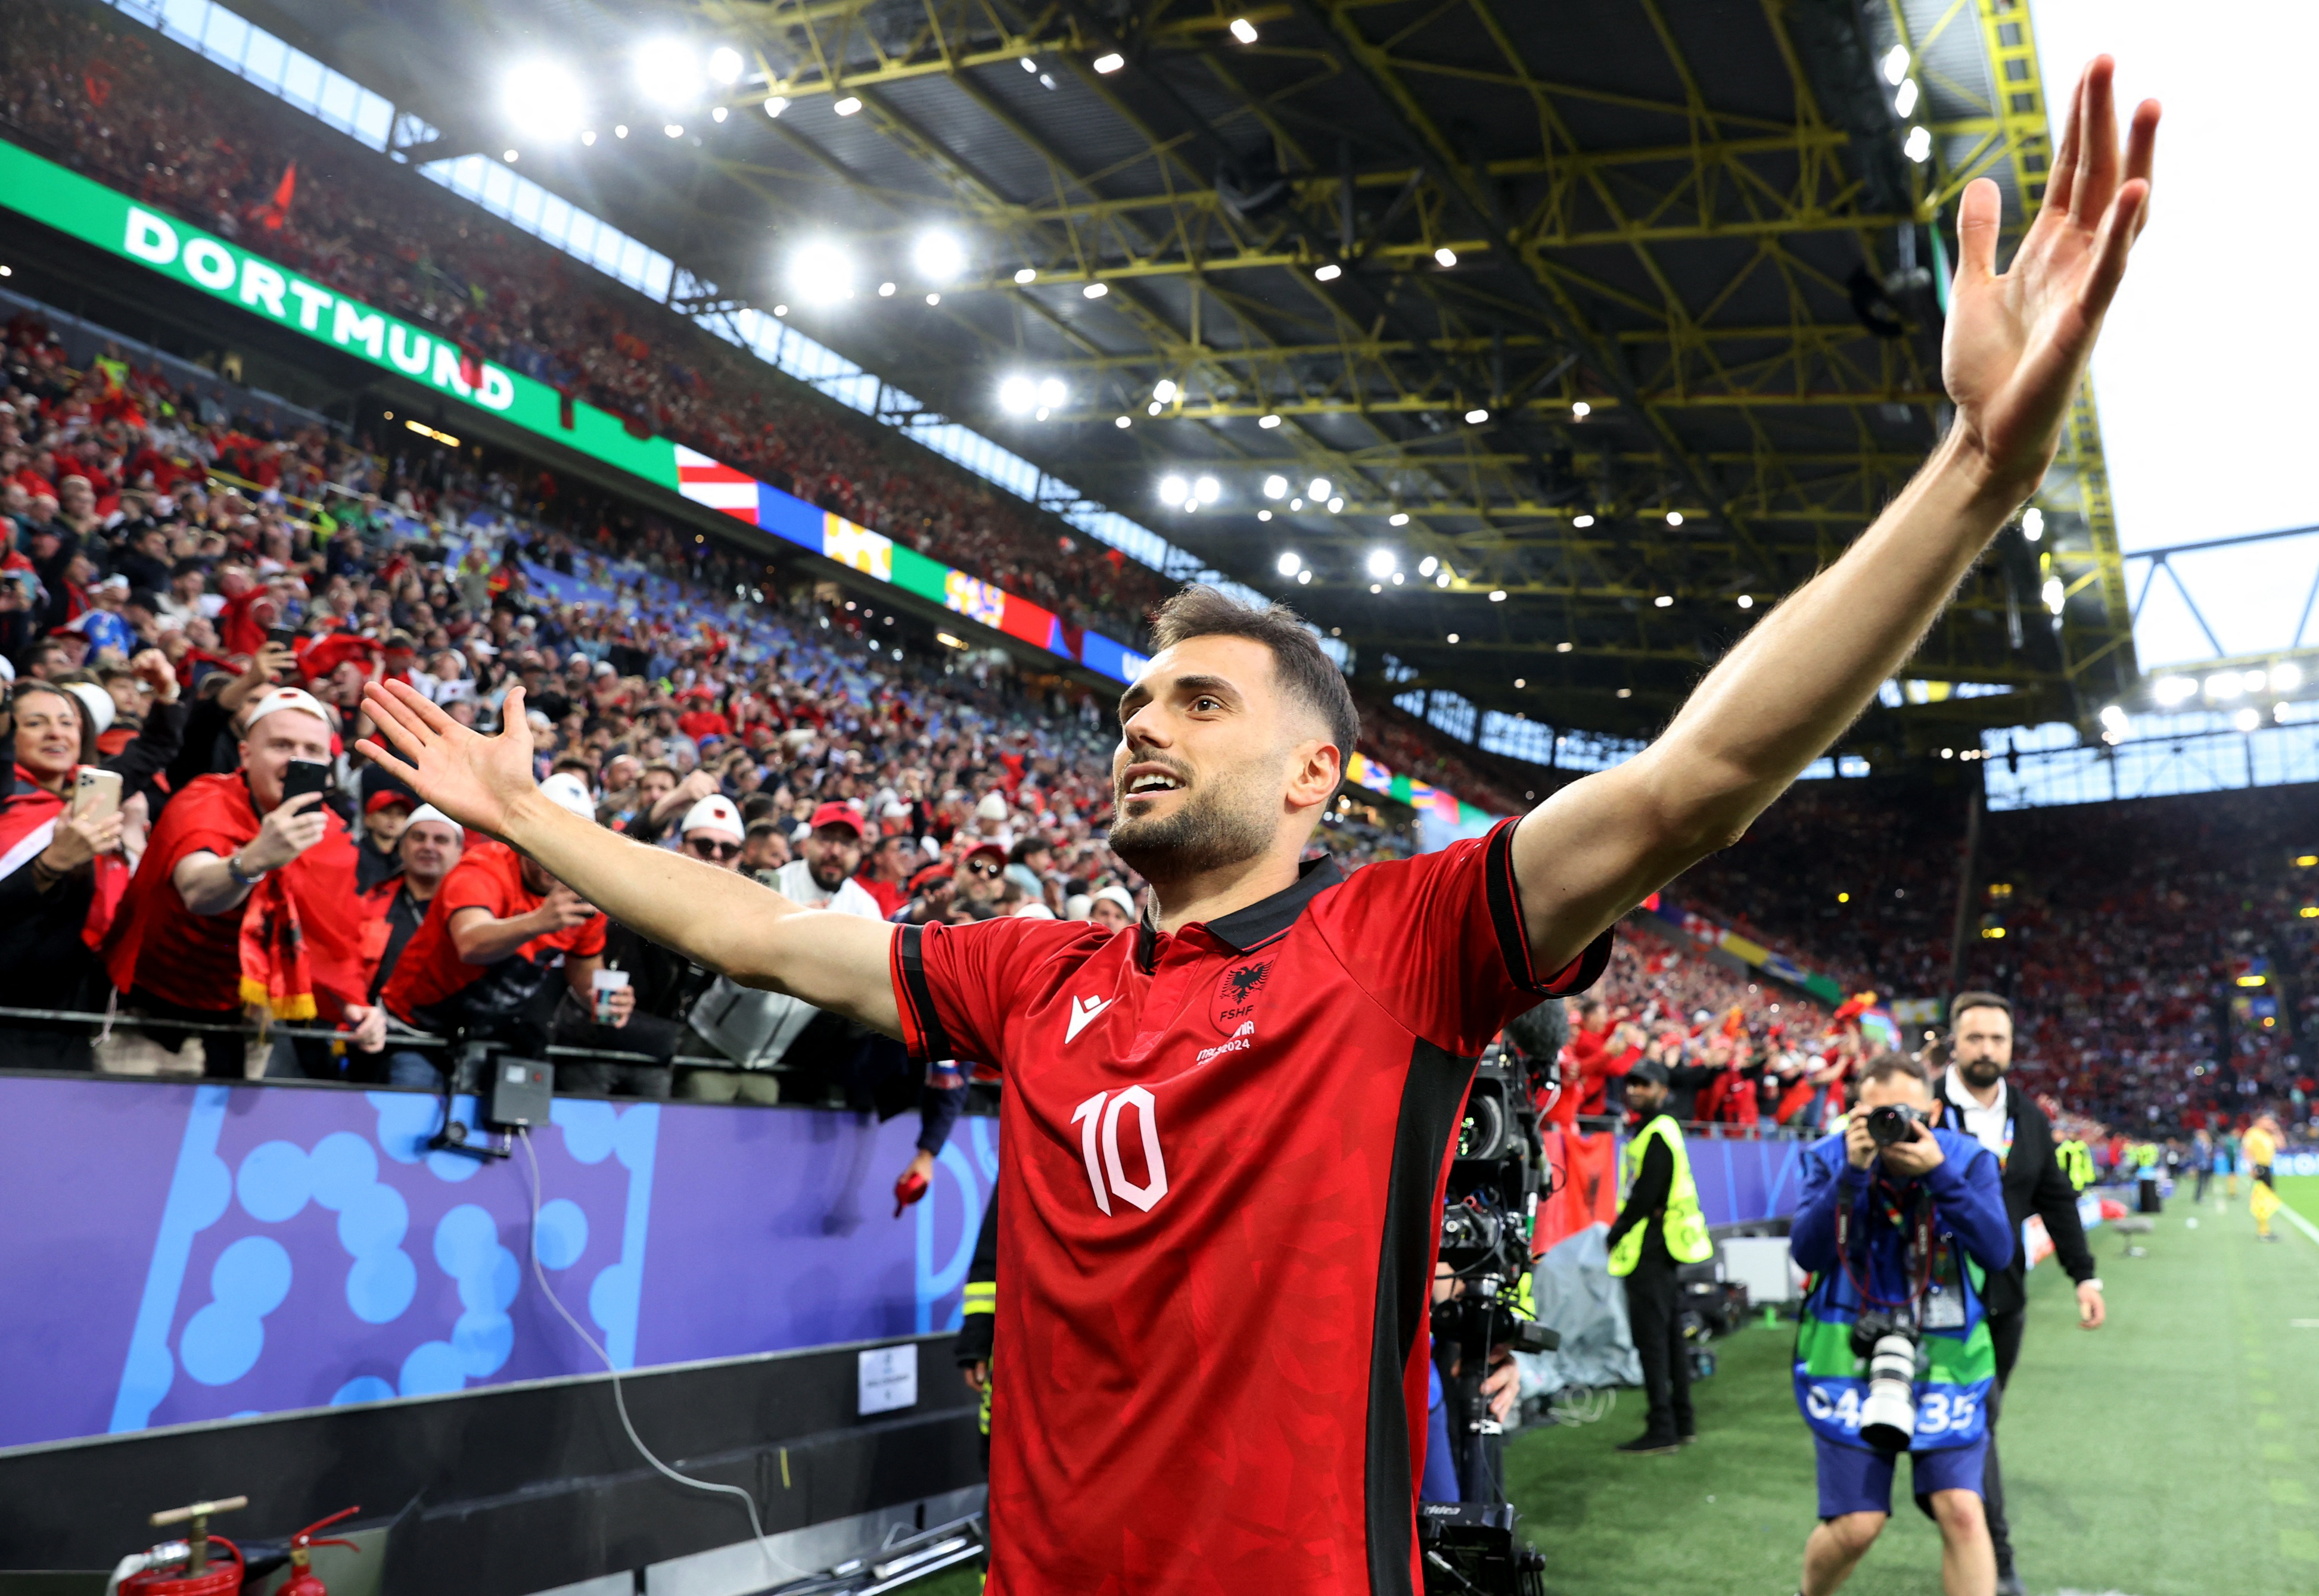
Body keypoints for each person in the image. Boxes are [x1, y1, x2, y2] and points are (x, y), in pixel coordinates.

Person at [357, 72, 2159, 1585]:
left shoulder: (1404, 942)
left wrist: (1973, 481)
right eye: (1138, 698)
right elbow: (751, 929)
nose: (1143, 720)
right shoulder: (1026, 972)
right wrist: (534, 817)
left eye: (1199, 702)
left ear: (1315, 777)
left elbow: (1697, 773)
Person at [1790, 1056, 2015, 1596]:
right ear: (1856, 1111)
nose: (1892, 1122)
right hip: (1847, 1355)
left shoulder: (1967, 1159)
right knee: (1856, 1526)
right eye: (1877, 1111)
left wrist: (1939, 1175)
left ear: (1933, 1111)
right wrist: (1852, 1174)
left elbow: (1999, 1250)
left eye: (1907, 1111)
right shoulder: (1829, 1156)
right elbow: (1807, 1252)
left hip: (1946, 1357)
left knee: (1963, 1509)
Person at [102, 686, 388, 1078]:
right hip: (150, 1008)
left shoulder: (330, 833)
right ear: (245, 754)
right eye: (281, 744)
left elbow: (327, 938)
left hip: (245, 1015)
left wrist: (353, 1006)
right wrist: (253, 859)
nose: (297, 760)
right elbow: (197, 890)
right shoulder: (205, 798)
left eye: (312, 750)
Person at [1934, 991, 2102, 1596]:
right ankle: (1996, 1562)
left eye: (1996, 1039)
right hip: (1936, 1308)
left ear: (2010, 1046)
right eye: (1974, 1038)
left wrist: (2084, 1275)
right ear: (1953, 1041)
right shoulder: (1923, 1108)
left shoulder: (2028, 1118)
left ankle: (1961, 1520)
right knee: (1977, 1420)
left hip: (2005, 1303)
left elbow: (2056, 1200)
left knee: (1981, 1422)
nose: (1985, 1050)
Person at [377, 779, 654, 1095]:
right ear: (525, 839)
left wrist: (603, 998)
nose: (558, 858)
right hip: (417, 1029)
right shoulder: (484, 867)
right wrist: (538, 921)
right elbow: (470, 943)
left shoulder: (588, 896)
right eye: (548, 843)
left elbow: (585, 972)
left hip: (491, 1034)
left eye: (571, 845)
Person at [0, 680, 128, 1070]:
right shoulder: (7, 804)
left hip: (68, 1020)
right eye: (36, 723)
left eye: (67, 722)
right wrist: (50, 864)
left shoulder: (88, 806)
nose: (56, 732)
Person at [1605, 1056, 1715, 1452]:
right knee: (1670, 1339)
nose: (1635, 1089)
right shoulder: (1658, 1130)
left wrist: (1615, 1233)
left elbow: (1646, 1194)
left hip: (1650, 1248)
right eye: (1632, 1082)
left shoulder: (1656, 1131)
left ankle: (1663, 1427)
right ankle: (1681, 1422)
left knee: (1653, 1341)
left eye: (1644, 1084)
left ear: (1663, 1091)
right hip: (1663, 1246)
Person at [357, 805, 464, 1010]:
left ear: (459, 851)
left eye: (441, 840)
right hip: (373, 1027)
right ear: (402, 846)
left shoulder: (476, 911)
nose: (428, 847)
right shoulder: (367, 903)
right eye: (418, 837)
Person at [2245, 1115, 2281, 1242]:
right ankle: (2262, 1231)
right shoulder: (2252, 1133)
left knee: (2268, 1198)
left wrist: (2276, 1130)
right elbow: (2247, 1151)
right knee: (2262, 1198)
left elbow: (2282, 1145)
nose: (2270, 1123)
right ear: (2259, 1121)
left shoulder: (2268, 1134)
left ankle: (2265, 1229)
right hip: (2259, 1167)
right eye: (2267, 1121)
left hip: (2268, 1167)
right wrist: (2250, 1168)